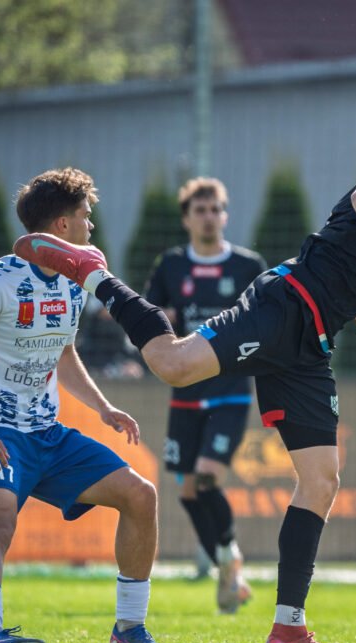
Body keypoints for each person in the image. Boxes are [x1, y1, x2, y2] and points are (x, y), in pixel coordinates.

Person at [15, 81, 356, 643]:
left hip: (310, 341)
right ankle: (94, 275)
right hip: (284, 307)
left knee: (322, 479)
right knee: (173, 364)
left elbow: (343, 249)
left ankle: (288, 632)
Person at [0, 168, 171, 643]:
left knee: (141, 495)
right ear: (62, 224)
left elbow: (63, 354)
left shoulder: (74, 283)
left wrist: (103, 408)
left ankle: (129, 630)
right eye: (86, 215)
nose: (91, 226)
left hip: (49, 435)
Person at [143, 177, 266, 613]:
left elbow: (266, 319)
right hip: (186, 392)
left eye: (216, 209)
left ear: (225, 215)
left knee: (208, 477)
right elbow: (151, 320)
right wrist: (163, 321)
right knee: (188, 491)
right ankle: (227, 570)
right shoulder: (171, 266)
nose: (209, 217)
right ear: (187, 219)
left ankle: (230, 556)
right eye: (200, 210)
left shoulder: (248, 267)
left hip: (230, 391)